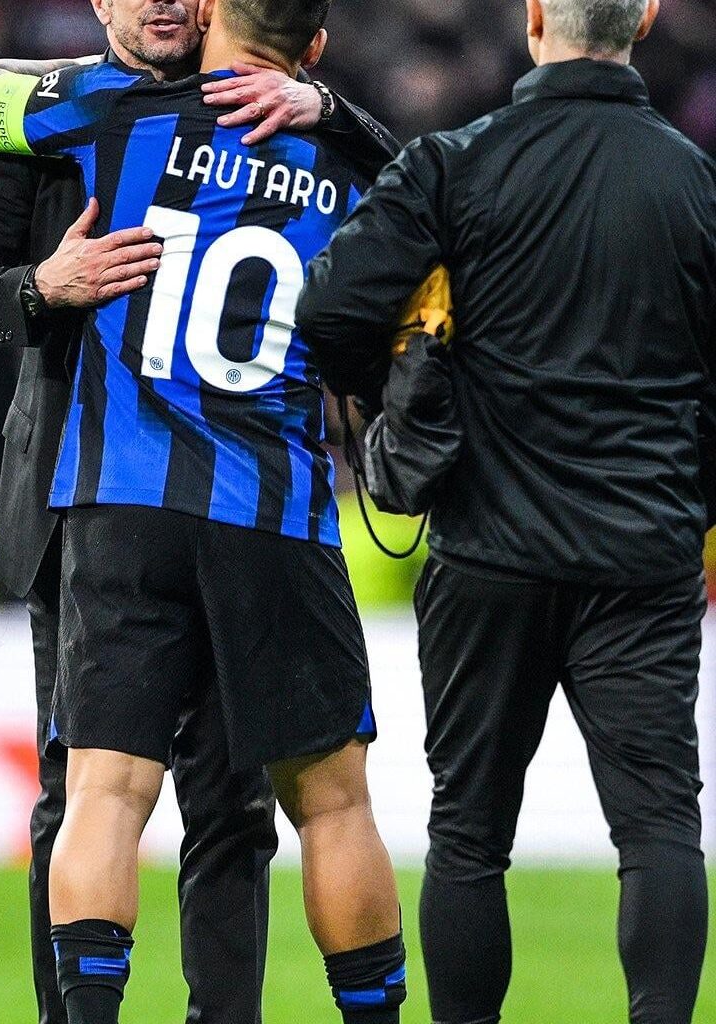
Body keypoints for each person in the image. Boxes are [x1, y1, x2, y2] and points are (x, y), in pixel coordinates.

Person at [0, 2, 402, 1022]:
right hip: (156, 505)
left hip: (120, 495)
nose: (165, 2)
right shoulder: (326, 156)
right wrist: (41, 287)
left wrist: (322, 101)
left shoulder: (91, 119)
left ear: (219, 9)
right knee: (264, 796)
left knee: (181, 797)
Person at [296, 1, 716, 1022]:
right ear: (645, 19)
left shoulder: (454, 163)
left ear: (533, 19)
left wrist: (402, 391)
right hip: (646, 555)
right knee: (658, 825)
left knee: (472, 831)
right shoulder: (695, 182)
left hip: (488, 544)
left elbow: (328, 311)